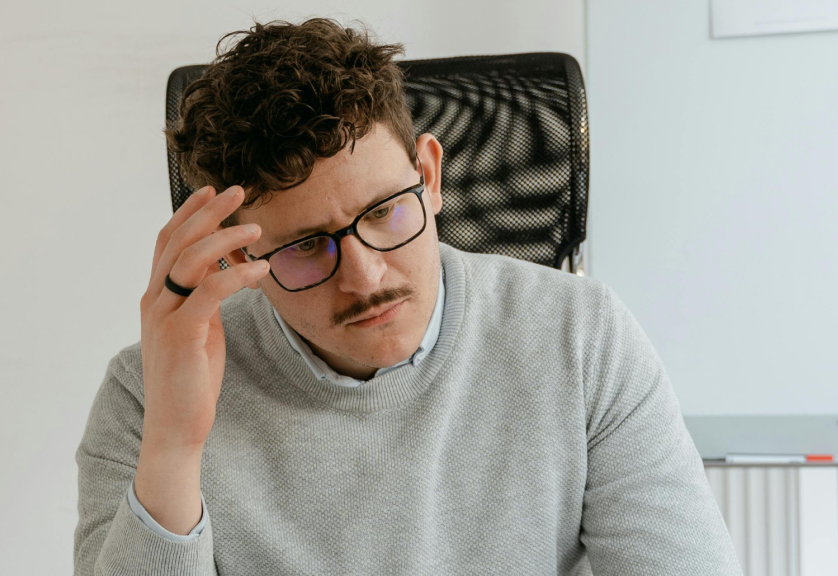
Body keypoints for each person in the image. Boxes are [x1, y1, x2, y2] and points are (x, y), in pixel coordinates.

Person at [73, 17, 742, 576]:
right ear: (238, 253)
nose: (364, 277)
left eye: (384, 211)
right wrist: (172, 444)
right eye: (306, 245)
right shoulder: (147, 394)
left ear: (427, 175)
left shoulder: (580, 335)